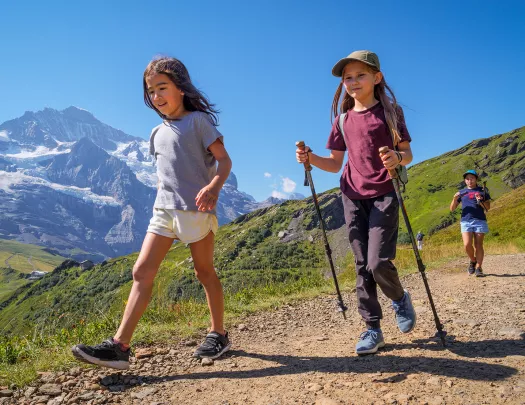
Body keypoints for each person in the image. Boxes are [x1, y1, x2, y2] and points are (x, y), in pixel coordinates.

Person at [72, 57, 232, 370]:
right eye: (151, 91)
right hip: (163, 213)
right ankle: (120, 346)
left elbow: (224, 161)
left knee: (204, 272)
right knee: (142, 271)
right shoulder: (156, 133)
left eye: (162, 88)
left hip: (195, 212)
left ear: (181, 89)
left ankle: (219, 333)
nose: (157, 96)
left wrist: (213, 187)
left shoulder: (198, 122)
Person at [296, 50, 416, 355]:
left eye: (360, 75)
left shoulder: (391, 114)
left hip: (385, 192)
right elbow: (335, 163)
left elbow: (407, 154)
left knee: (377, 262)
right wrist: (310, 158)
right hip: (351, 194)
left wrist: (397, 158)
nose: (353, 81)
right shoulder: (342, 120)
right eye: (347, 77)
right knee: (362, 264)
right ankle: (372, 328)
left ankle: (399, 298)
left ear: (377, 78)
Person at [450, 169, 491, 277]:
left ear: (476, 179)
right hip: (466, 221)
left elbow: (488, 207)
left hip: (480, 220)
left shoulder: (482, 190)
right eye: (467, 179)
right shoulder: (462, 192)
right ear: (465, 181)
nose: (469, 181)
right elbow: (452, 209)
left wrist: (481, 200)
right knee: (467, 244)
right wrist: (454, 199)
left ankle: (479, 267)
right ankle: (473, 260)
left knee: (478, 245)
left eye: (472, 178)